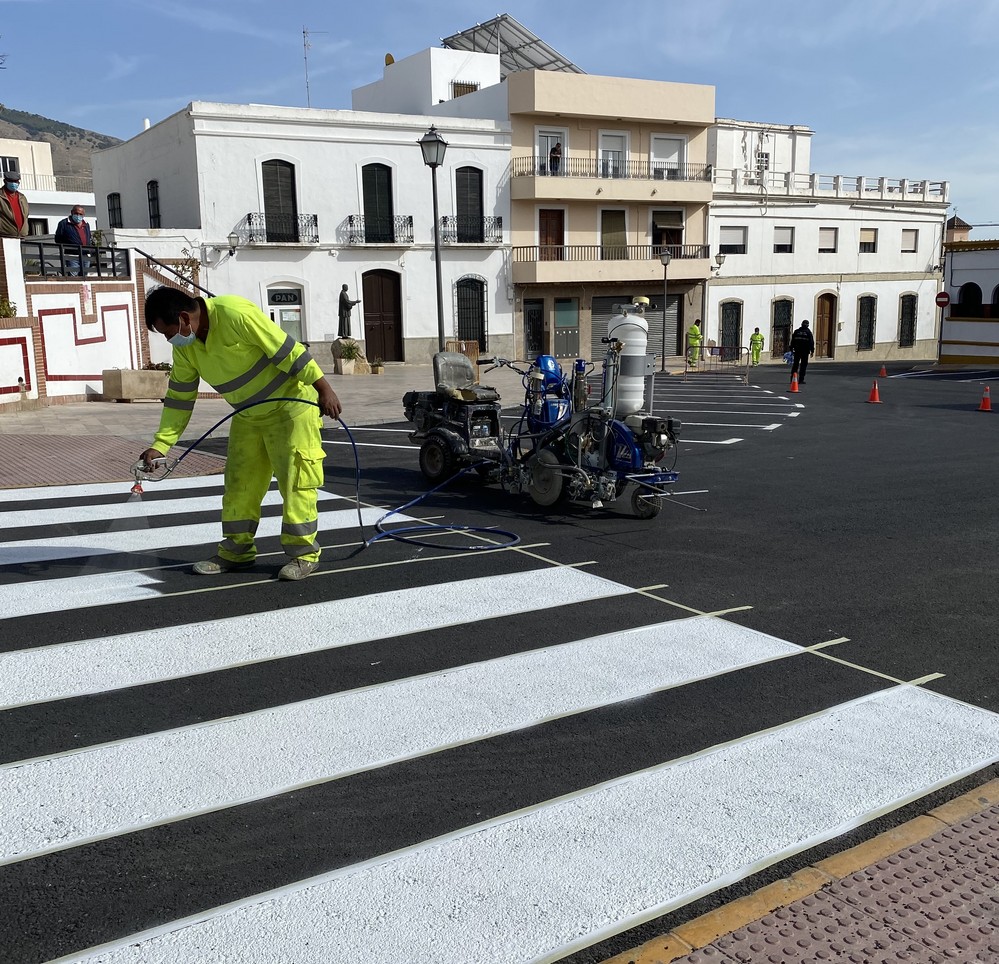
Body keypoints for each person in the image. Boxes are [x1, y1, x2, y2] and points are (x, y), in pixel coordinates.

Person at [138, 287, 343, 581]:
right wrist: (161, 445)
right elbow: (180, 398)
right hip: (248, 415)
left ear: (184, 318)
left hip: (291, 409)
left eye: (169, 332)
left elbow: (289, 351)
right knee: (239, 485)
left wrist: (324, 389)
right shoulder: (186, 347)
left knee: (295, 484)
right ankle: (236, 552)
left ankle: (303, 555)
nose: (170, 339)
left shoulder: (235, 313)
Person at [54, 204, 92, 276]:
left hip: (85, 255)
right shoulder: (64, 223)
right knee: (73, 276)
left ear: (83, 215)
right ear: (72, 212)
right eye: (76, 213)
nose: (78, 216)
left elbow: (88, 237)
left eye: (80, 214)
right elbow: (58, 238)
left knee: (84, 276)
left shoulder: (86, 224)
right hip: (72, 255)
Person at [0, 169, 29, 238]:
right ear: (5, 181)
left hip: (21, 237)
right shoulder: (1, 196)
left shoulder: (22, 197)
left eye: (15, 181)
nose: (13, 183)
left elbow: (26, 215)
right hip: (4, 236)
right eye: (11, 181)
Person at [789, 319, 815, 384]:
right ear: (808, 325)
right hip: (805, 352)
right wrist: (812, 351)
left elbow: (792, 341)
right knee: (803, 366)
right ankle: (801, 379)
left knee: (795, 365)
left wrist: (791, 349)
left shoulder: (796, 332)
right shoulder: (808, 333)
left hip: (797, 351)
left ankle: (793, 378)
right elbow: (811, 342)